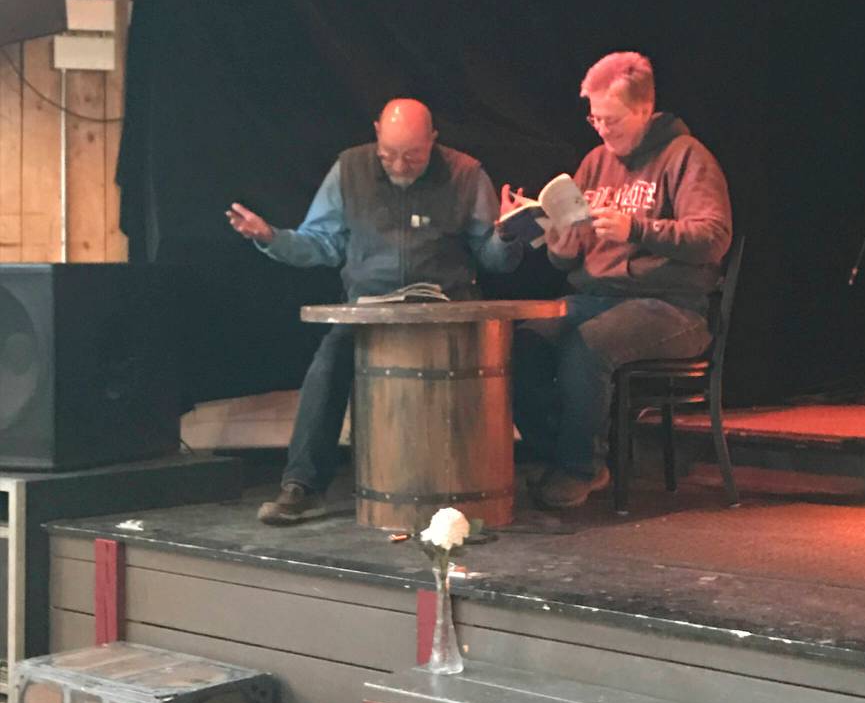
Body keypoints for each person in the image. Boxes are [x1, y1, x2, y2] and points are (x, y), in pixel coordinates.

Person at [227, 98, 523, 524]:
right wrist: (271, 238)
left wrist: (507, 235)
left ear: (433, 140)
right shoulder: (349, 169)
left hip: (447, 313)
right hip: (369, 312)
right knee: (327, 366)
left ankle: (483, 486)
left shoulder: (466, 174)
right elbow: (321, 244)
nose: (399, 166)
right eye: (388, 155)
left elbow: (492, 259)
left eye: (412, 156)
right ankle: (302, 485)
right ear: (376, 134)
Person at [512, 52, 732, 510]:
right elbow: (567, 257)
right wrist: (560, 244)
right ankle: (549, 455)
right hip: (595, 295)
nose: (602, 130)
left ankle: (582, 467)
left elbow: (713, 238)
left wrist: (637, 229)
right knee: (522, 342)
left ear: (645, 109)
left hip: (672, 306)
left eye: (611, 120)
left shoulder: (685, 156)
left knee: (588, 345)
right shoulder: (595, 162)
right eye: (594, 119)